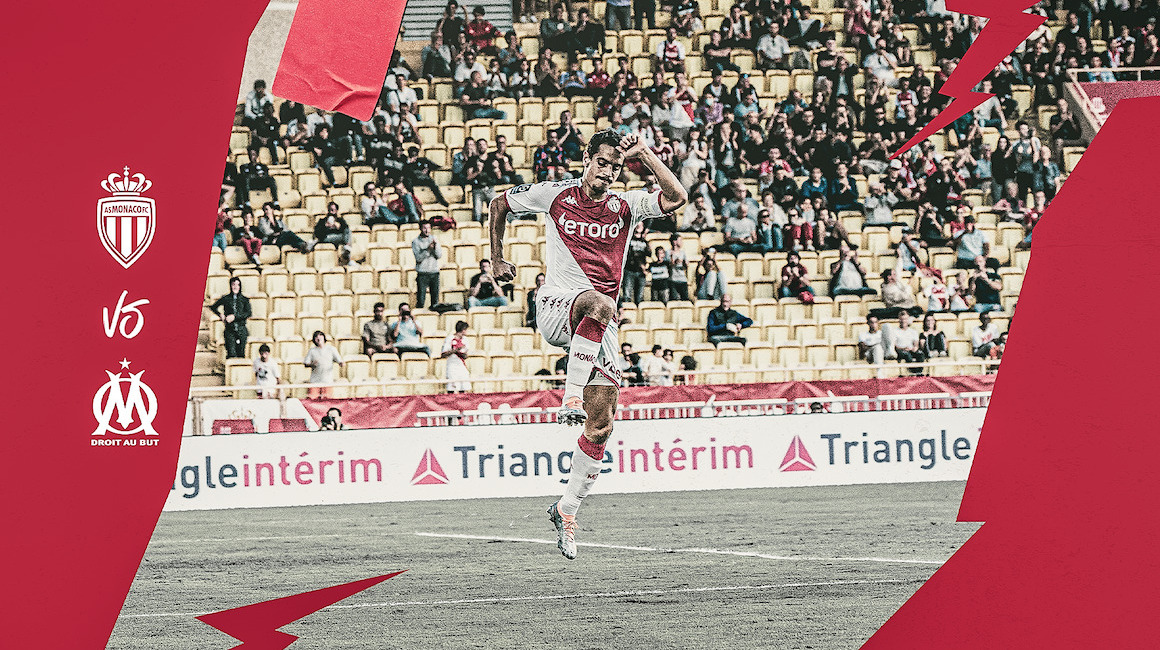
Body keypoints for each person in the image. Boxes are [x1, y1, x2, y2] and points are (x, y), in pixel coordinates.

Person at [487, 129, 687, 560]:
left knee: (602, 425)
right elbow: (498, 203)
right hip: (558, 305)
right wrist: (496, 257)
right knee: (600, 304)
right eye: (602, 162)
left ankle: (566, 509)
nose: (608, 171)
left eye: (616, 166)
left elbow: (677, 198)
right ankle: (570, 396)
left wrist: (645, 155)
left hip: (600, 323)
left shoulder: (626, 206)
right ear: (586, 160)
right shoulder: (555, 194)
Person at [211, 277, 251, 359]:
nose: (235, 287)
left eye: (237, 285)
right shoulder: (226, 298)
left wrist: (235, 317)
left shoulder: (244, 299)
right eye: (233, 285)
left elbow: (248, 313)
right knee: (231, 353)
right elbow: (213, 307)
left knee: (241, 353)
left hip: (241, 329)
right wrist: (220, 315)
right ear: (230, 286)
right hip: (230, 329)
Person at [303, 330, 344, 398]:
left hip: (327, 380)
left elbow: (339, 360)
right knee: (312, 399)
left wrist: (341, 363)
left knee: (327, 399)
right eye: (316, 337)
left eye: (320, 336)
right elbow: (306, 363)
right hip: (315, 381)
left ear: (324, 338)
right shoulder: (312, 351)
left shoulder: (331, 349)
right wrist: (312, 364)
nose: (318, 338)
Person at [412, 220, 443, 308]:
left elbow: (439, 255)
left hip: (434, 272)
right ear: (420, 229)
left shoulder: (434, 239)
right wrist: (428, 249)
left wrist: (435, 247)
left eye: (429, 228)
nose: (427, 230)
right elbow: (418, 258)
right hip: (422, 273)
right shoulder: (416, 242)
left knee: (435, 301)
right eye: (424, 228)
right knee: (421, 300)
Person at [441, 320, 472, 393]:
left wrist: (462, 354)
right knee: (451, 387)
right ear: (463, 330)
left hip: (461, 365)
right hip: (452, 365)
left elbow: (466, 356)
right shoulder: (449, 338)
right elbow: (443, 354)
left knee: (463, 386)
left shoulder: (465, 340)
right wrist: (455, 350)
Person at [667, 235, 690, 301]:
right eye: (680, 240)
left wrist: (685, 264)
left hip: (682, 279)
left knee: (685, 299)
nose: (682, 242)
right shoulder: (668, 252)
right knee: (674, 300)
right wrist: (674, 261)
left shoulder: (683, 253)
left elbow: (686, 266)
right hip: (673, 280)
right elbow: (667, 266)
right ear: (674, 242)